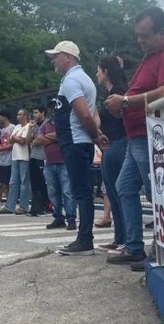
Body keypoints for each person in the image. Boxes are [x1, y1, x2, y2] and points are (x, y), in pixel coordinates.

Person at [104, 7, 164, 268]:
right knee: (125, 187)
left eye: (145, 36)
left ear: (161, 32)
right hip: (138, 134)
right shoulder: (150, 56)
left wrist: (126, 101)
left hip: (152, 134)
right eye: (138, 36)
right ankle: (134, 247)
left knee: (157, 192)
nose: (140, 41)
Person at [46, 40, 104, 256]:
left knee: (81, 192)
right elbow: (93, 113)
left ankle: (85, 240)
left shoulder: (72, 81)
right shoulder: (83, 79)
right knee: (82, 191)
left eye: (56, 55)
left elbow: (85, 115)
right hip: (79, 141)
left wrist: (95, 136)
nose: (53, 59)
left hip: (75, 141)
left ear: (68, 57)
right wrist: (96, 135)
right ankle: (84, 238)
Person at [95, 56, 130, 254]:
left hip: (117, 144)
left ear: (106, 71)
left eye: (98, 70)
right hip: (112, 143)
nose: (96, 74)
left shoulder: (117, 93)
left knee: (118, 193)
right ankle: (120, 238)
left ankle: (124, 239)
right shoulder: (114, 92)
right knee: (114, 193)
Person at [33, 99, 75, 230]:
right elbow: (38, 139)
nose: (54, 109)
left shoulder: (66, 121)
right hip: (49, 163)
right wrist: (56, 137)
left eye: (55, 106)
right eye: (52, 107)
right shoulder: (46, 124)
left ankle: (71, 217)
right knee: (53, 192)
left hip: (64, 162)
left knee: (67, 192)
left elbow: (65, 135)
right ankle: (58, 217)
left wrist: (48, 137)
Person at [6, 109, 32, 215]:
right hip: (15, 157)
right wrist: (16, 138)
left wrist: (15, 137)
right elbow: (10, 140)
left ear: (25, 116)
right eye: (17, 114)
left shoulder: (28, 126)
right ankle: (10, 206)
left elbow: (23, 141)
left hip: (24, 157)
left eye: (20, 114)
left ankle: (24, 206)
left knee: (24, 183)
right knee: (13, 182)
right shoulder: (17, 127)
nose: (18, 116)